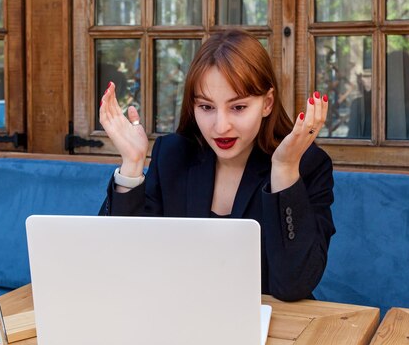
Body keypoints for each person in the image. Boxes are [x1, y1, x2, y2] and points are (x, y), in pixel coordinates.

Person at [98, 29, 335, 302]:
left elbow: (293, 285)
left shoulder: (306, 166)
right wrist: (132, 165)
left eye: (238, 107)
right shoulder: (173, 155)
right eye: (207, 107)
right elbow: (118, 263)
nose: (221, 127)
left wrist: (283, 170)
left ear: (267, 103)